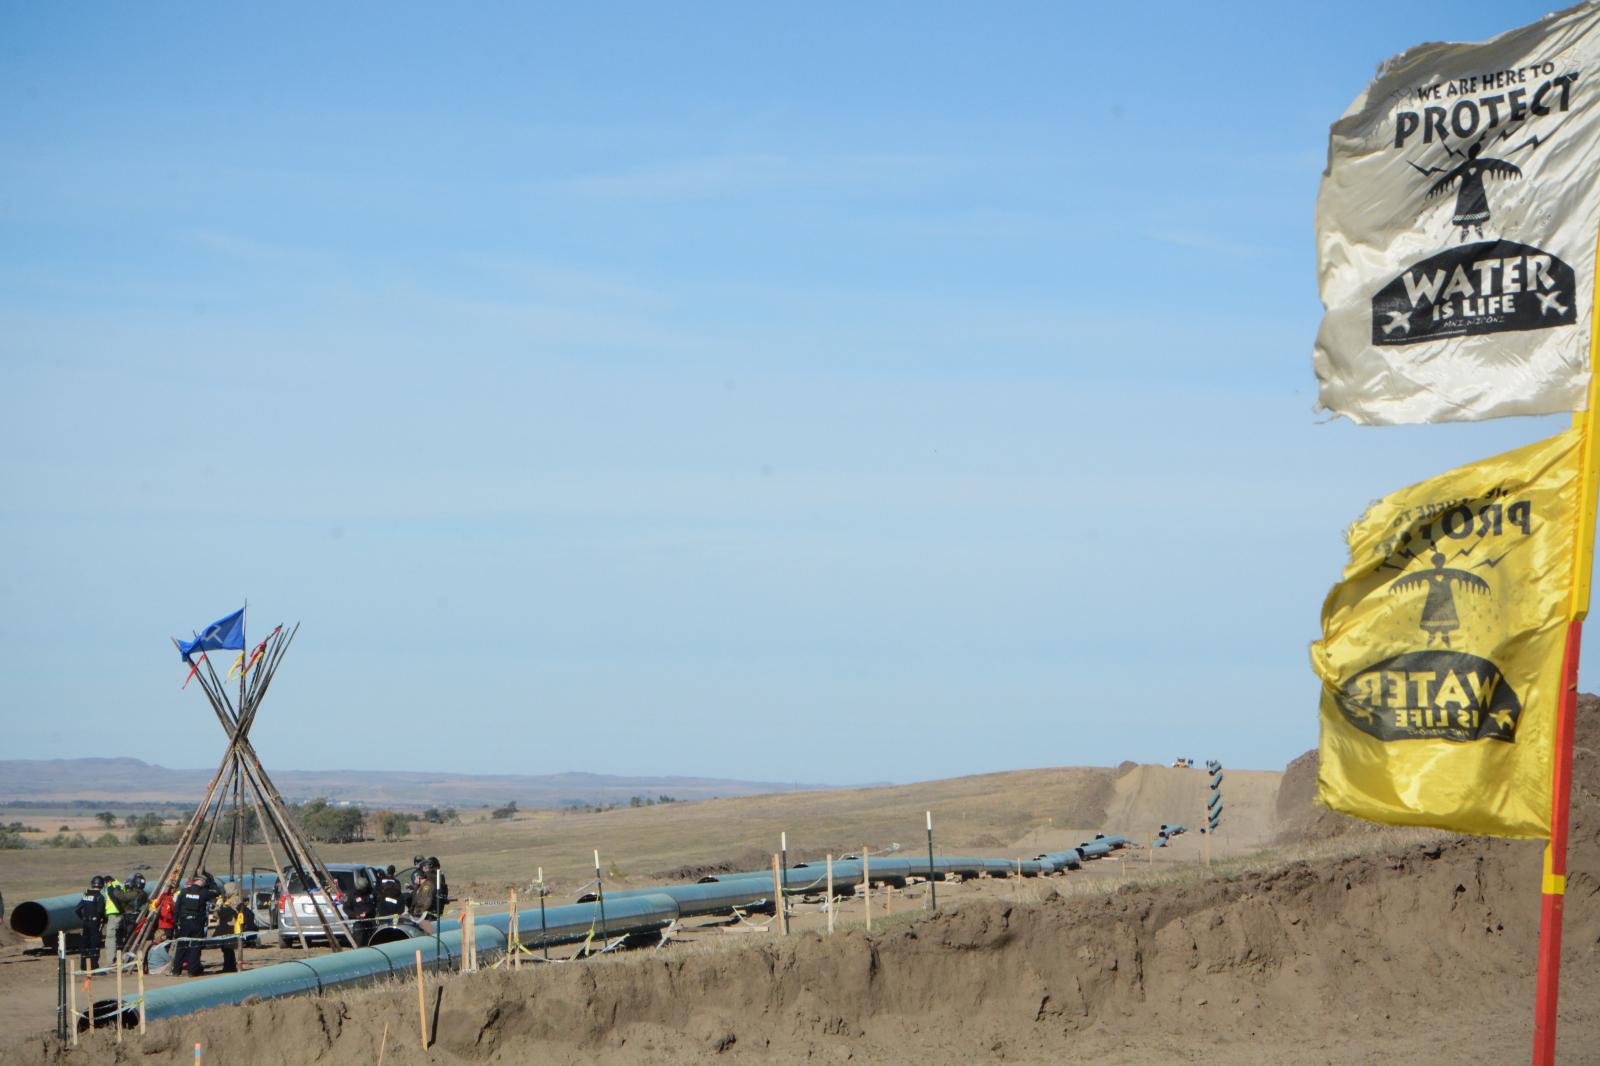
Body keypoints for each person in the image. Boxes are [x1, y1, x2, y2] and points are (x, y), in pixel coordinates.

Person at [173, 874, 219, 977]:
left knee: (181, 946)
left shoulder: (184, 892)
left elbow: (176, 908)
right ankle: (192, 971)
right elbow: (217, 893)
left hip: (184, 922)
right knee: (195, 946)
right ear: (203, 883)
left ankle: (176, 970)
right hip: (197, 923)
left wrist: (175, 922)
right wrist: (212, 883)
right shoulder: (203, 893)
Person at [73, 877, 106, 974]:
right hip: (95, 923)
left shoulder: (86, 895)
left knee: (85, 945)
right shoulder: (100, 897)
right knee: (94, 945)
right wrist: (104, 918)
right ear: (101, 885)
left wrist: (83, 918)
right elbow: (100, 911)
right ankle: (93, 967)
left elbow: (77, 909)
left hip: (85, 923)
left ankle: (83, 966)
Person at [212, 890, 242, 973]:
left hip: (228, 928)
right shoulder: (235, 900)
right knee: (228, 950)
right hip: (231, 928)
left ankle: (228, 967)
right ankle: (230, 966)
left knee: (227, 950)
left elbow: (220, 914)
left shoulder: (231, 902)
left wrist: (218, 908)